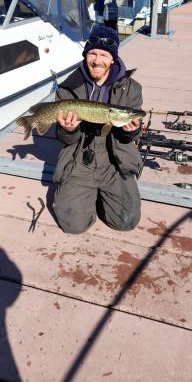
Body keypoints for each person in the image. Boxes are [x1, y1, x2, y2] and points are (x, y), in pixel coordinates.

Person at [52, 25, 143, 234]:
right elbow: (65, 139)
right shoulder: (68, 87)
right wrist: (68, 129)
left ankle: (102, 196)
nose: (97, 60)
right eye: (92, 53)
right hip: (79, 157)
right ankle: (86, 199)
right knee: (73, 225)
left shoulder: (132, 88)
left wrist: (130, 131)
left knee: (126, 221)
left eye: (104, 55)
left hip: (114, 160)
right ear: (86, 56)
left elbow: (128, 133)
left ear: (113, 59)